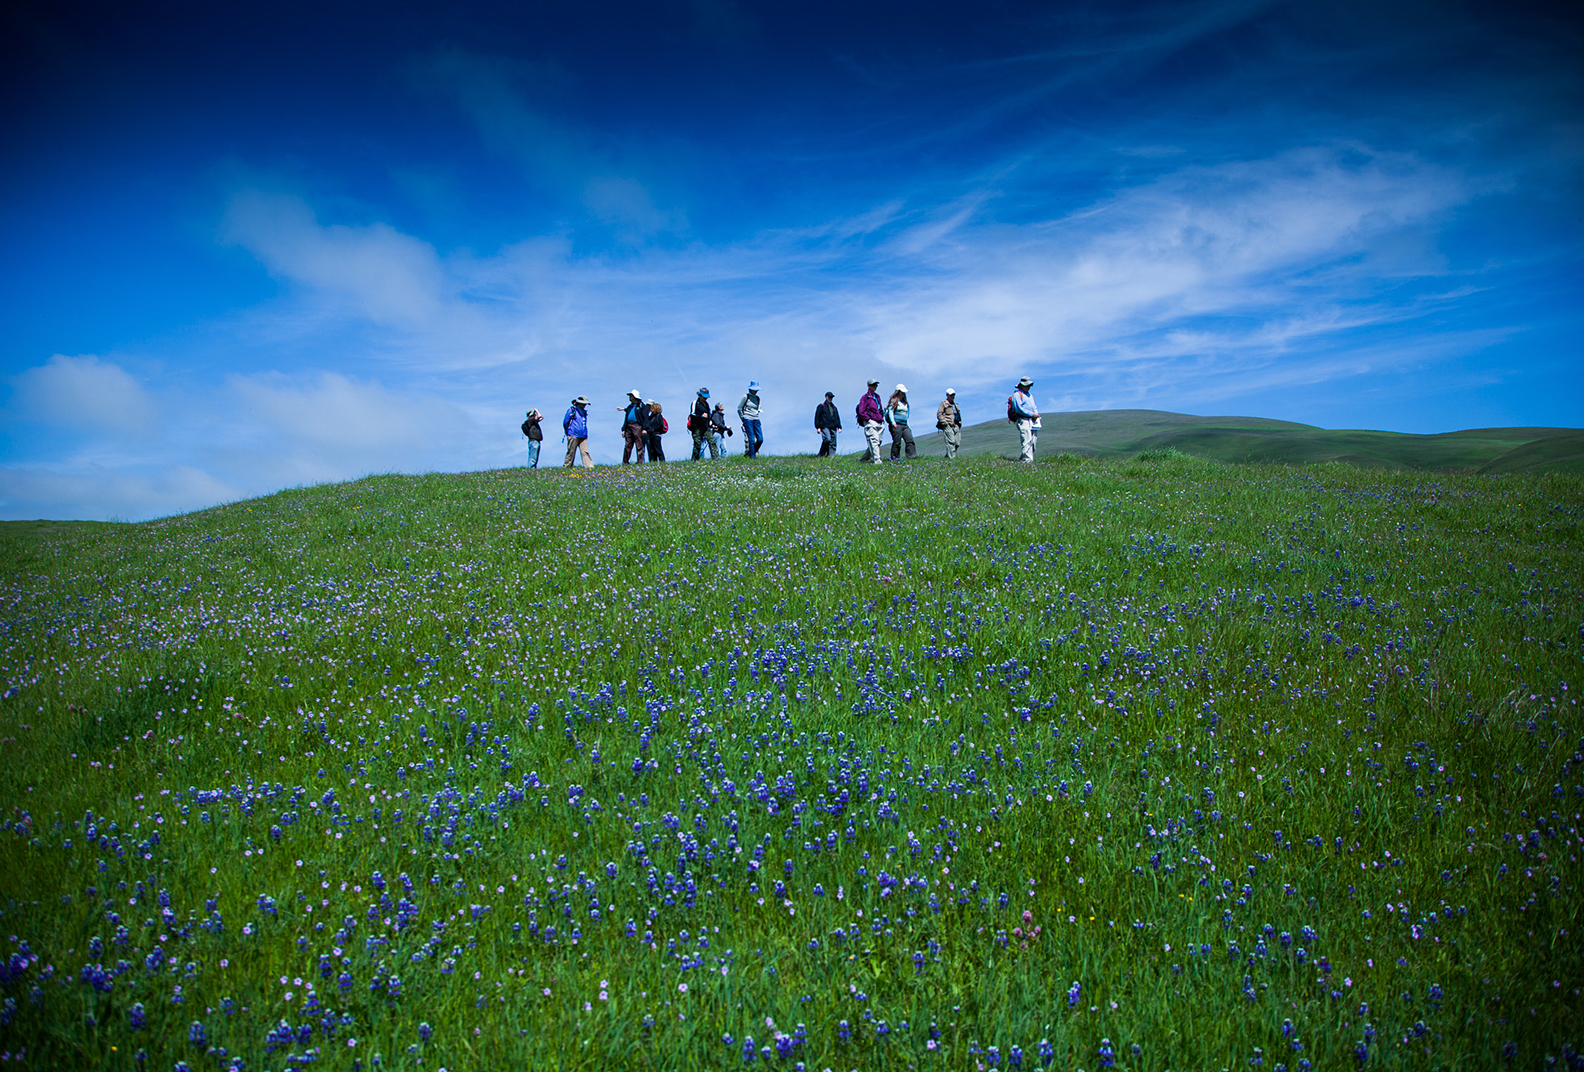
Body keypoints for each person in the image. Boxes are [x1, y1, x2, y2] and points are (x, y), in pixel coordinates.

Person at [1008, 376, 1040, 462]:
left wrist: (1035, 415)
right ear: (1022, 385)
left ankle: (1026, 458)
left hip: (1032, 420)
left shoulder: (1029, 395)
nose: (1029, 387)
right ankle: (1027, 460)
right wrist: (1032, 414)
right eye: (1027, 385)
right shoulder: (1017, 395)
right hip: (1023, 419)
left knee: (1033, 440)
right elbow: (1019, 409)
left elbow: (1034, 407)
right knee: (1026, 438)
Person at [856, 378, 885, 463]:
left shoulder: (877, 397)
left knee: (878, 442)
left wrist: (881, 417)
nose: (875, 387)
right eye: (873, 385)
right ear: (868, 386)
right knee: (874, 440)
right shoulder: (865, 398)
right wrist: (868, 419)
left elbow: (880, 408)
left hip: (879, 421)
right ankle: (877, 460)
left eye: (876, 385)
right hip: (870, 422)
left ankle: (864, 459)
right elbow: (861, 411)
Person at [886, 383, 917, 461]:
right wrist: (893, 422)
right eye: (902, 392)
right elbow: (890, 411)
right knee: (897, 442)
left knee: (910, 440)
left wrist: (908, 426)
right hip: (896, 424)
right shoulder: (894, 401)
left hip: (905, 424)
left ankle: (911, 457)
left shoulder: (905, 403)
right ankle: (894, 458)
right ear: (898, 392)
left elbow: (907, 416)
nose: (903, 393)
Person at [562, 396, 592, 467]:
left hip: (583, 435)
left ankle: (589, 467)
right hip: (573, 434)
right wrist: (568, 432)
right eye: (583, 404)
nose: (584, 405)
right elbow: (565, 422)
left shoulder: (584, 412)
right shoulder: (572, 410)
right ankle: (567, 466)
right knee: (571, 452)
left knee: (585, 452)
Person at [689, 388, 718, 460]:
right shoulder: (695, 403)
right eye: (704, 397)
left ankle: (716, 459)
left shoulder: (707, 405)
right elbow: (692, 415)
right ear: (700, 395)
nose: (705, 398)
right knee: (697, 444)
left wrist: (712, 425)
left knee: (712, 442)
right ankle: (694, 460)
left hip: (706, 427)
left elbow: (709, 417)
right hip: (697, 427)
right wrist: (701, 416)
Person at [738, 381, 764, 458]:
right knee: (751, 439)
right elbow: (739, 408)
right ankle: (752, 457)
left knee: (760, 439)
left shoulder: (757, 398)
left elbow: (758, 409)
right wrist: (743, 418)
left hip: (756, 419)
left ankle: (750, 452)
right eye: (754, 389)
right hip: (747, 419)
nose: (756, 391)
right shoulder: (745, 397)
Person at [621, 389, 648, 464]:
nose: (629, 397)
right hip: (629, 426)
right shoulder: (629, 407)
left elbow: (645, 418)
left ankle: (640, 461)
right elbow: (626, 418)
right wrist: (623, 429)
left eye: (631, 396)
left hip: (637, 426)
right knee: (627, 445)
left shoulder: (642, 406)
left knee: (639, 444)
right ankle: (625, 461)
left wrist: (644, 428)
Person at [936, 389, 963, 459]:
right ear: (947, 395)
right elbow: (939, 414)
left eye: (953, 395)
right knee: (951, 442)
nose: (952, 396)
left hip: (956, 425)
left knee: (957, 443)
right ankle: (952, 458)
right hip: (948, 425)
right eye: (951, 395)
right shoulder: (943, 404)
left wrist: (959, 423)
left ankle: (947, 456)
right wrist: (944, 422)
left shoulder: (955, 405)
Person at [814, 391, 842, 457]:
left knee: (833, 442)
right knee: (827, 439)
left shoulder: (834, 407)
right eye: (829, 397)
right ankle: (821, 454)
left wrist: (839, 427)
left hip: (833, 426)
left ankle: (831, 457)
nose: (831, 398)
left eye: (832, 397)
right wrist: (818, 427)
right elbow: (817, 416)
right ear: (826, 397)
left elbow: (837, 417)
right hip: (824, 426)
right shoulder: (821, 406)